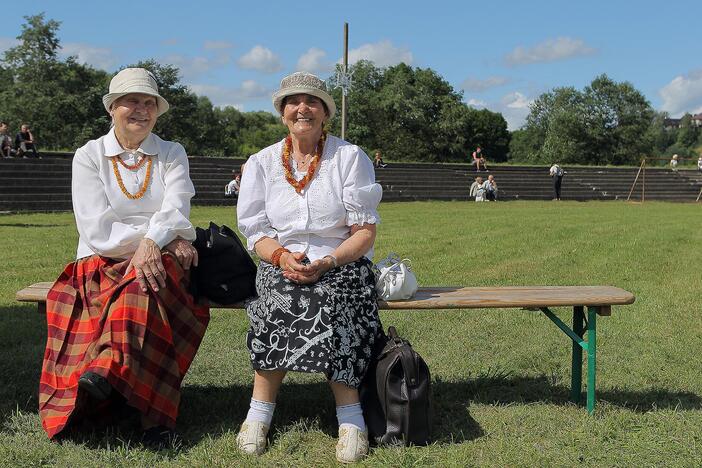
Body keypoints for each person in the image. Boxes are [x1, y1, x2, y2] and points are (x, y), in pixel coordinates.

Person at [38, 68, 209, 444]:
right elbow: (97, 228)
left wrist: (157, 242)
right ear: (112, 108)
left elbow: (177, 207)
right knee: (145, 286)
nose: (142, 110)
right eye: (132, 101)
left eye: (149, 103)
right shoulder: (89, 155)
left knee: (145, 283)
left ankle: (107, 367)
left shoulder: (171, 152)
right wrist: (159, 239)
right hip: (101, 259)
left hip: (159, 259)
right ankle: (154, 420)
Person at [236, 72, 383, 463]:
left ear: (325, 113)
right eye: (292, 101)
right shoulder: (262, 163)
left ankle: (350, 419)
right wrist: (282, 257)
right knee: (278, 296)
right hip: (280, 260)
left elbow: (364, 232)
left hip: (341, 260)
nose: (302, 107)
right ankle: (258, 415)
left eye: (312, 101)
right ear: (283, 113)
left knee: (335, 298)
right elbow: (254, 230)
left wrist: (329, 260)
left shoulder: (349, 158)